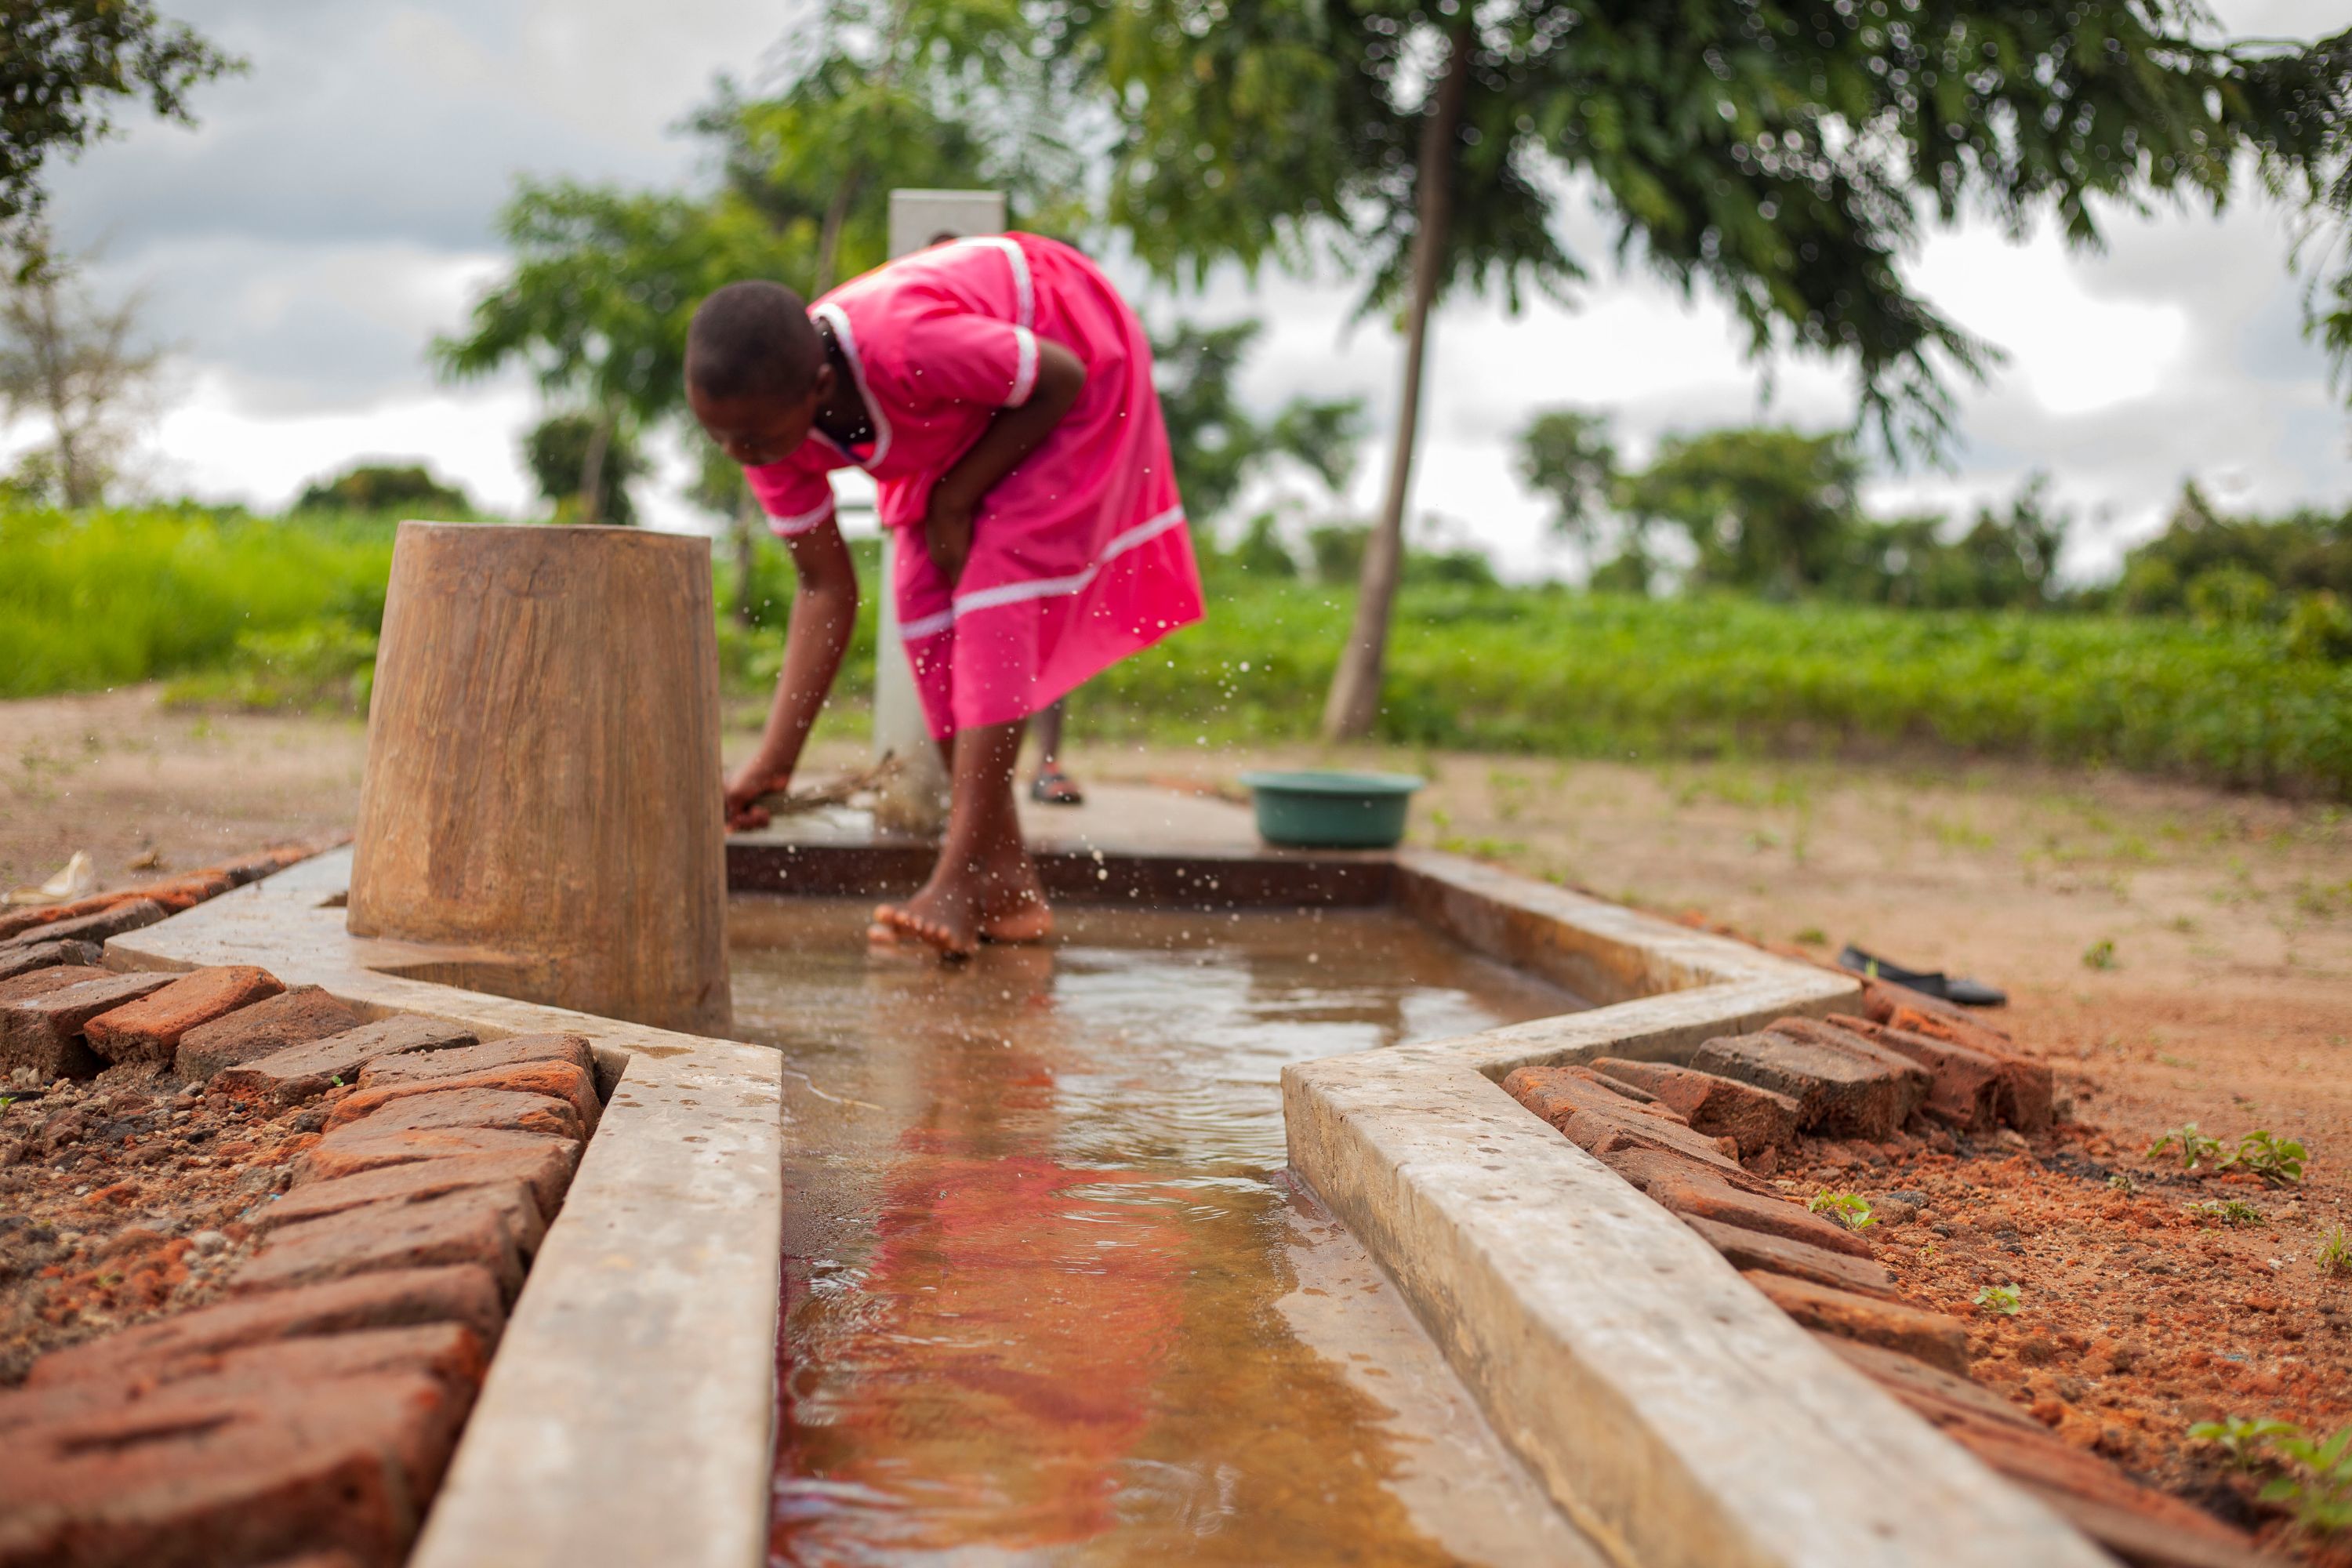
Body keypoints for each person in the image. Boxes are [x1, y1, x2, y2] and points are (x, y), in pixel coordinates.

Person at [688, 232, 1201, 957]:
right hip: (973, 419)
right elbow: (824, 586)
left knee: (994, 602)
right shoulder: (765, 428)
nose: (740, 456)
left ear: (819, 391)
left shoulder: (905, 344)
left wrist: (956, 498)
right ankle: (1012, 887)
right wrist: (772, 765)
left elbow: (1057, 376)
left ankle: (958, 880)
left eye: (753, 439)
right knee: (925, 621)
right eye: (720, 438)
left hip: (1077, 355)